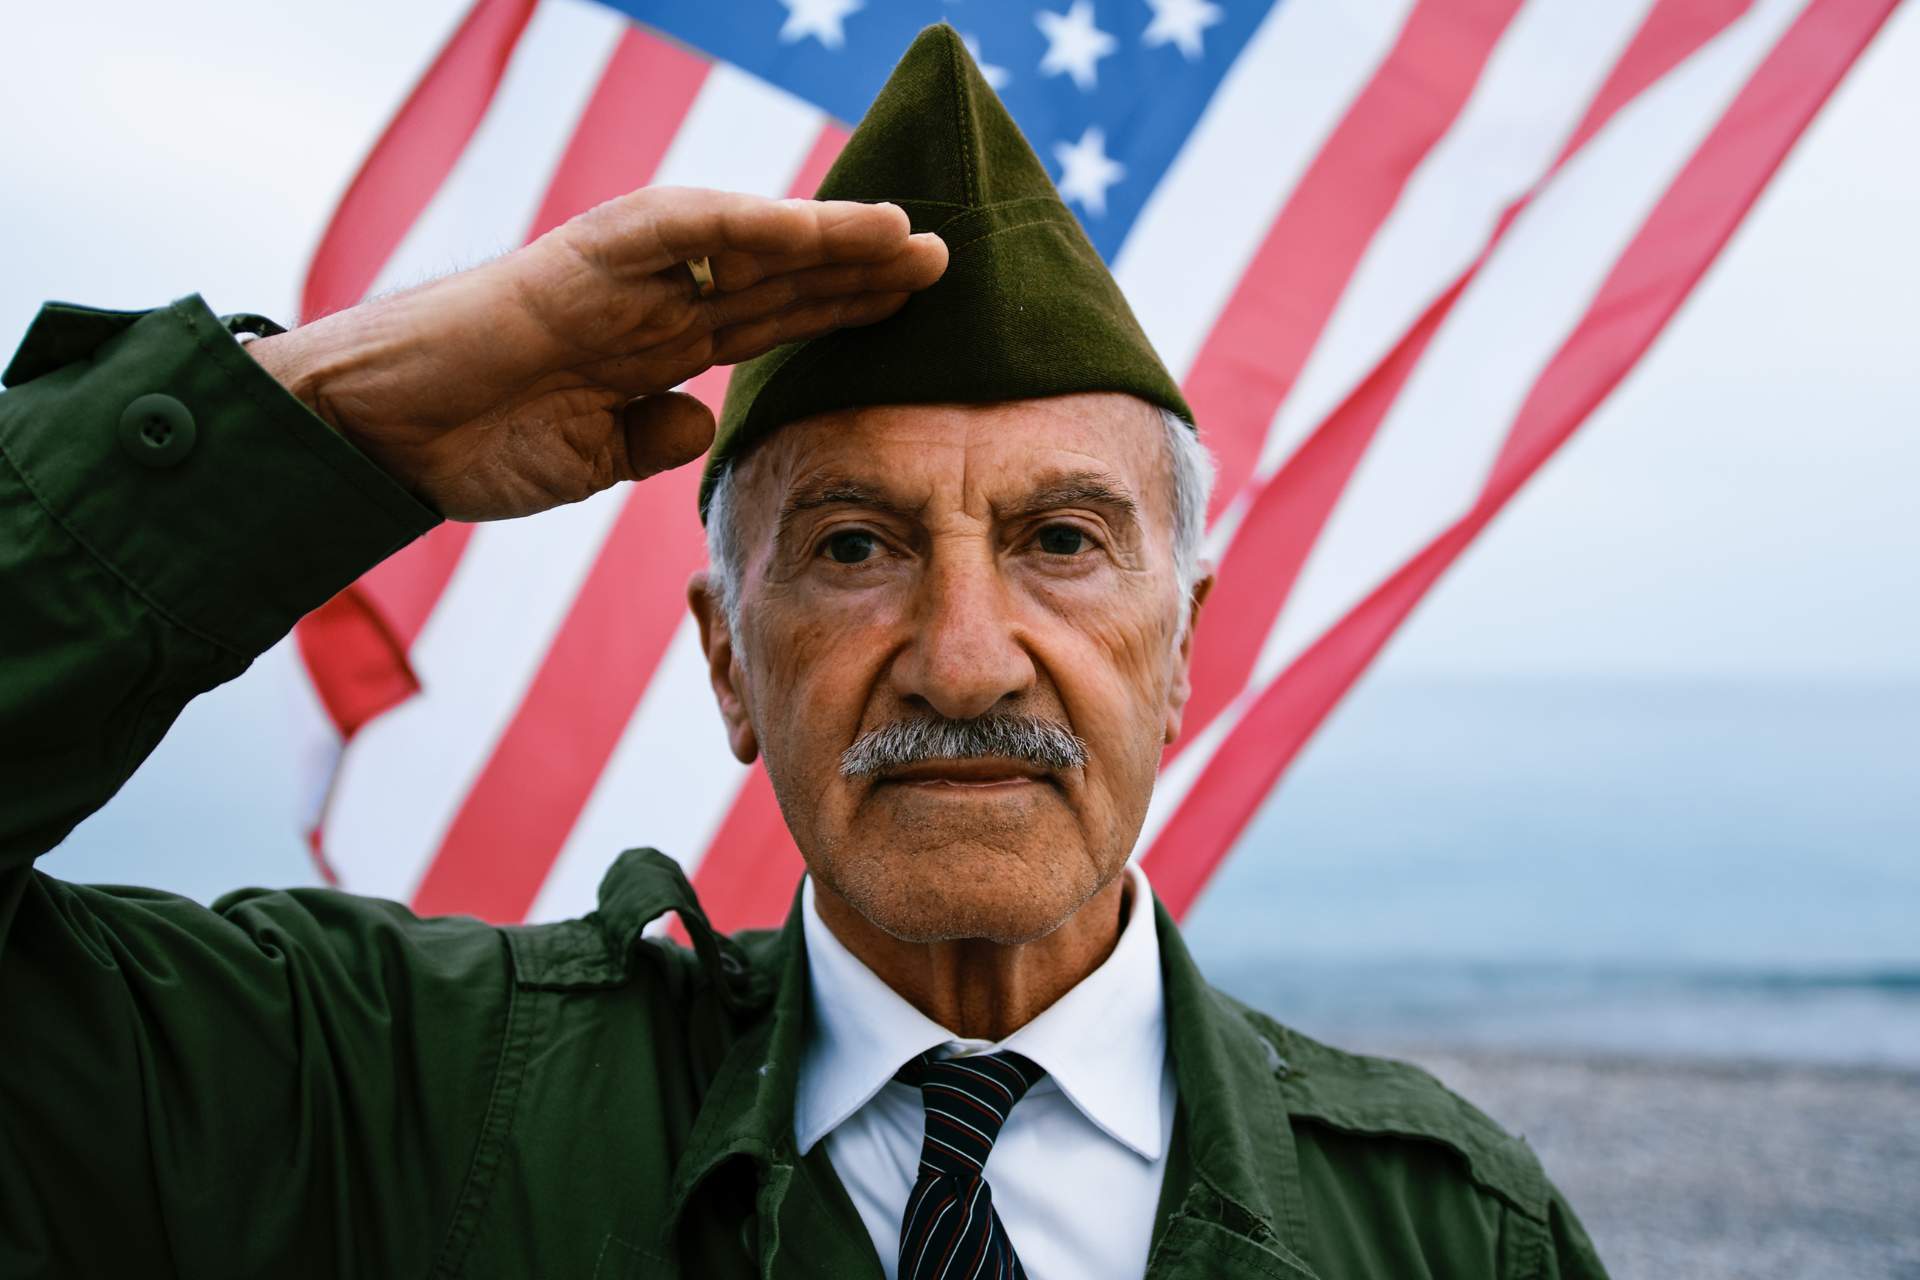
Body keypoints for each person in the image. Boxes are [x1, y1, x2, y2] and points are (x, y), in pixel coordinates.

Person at [0, 26, 1607, 1279]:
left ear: (1182, 644)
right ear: (725, 663)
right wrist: (338, 410)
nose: (967, 662)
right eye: (854, 549)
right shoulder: (376, 1108)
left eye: (1061, 542)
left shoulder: (1455, 1238)